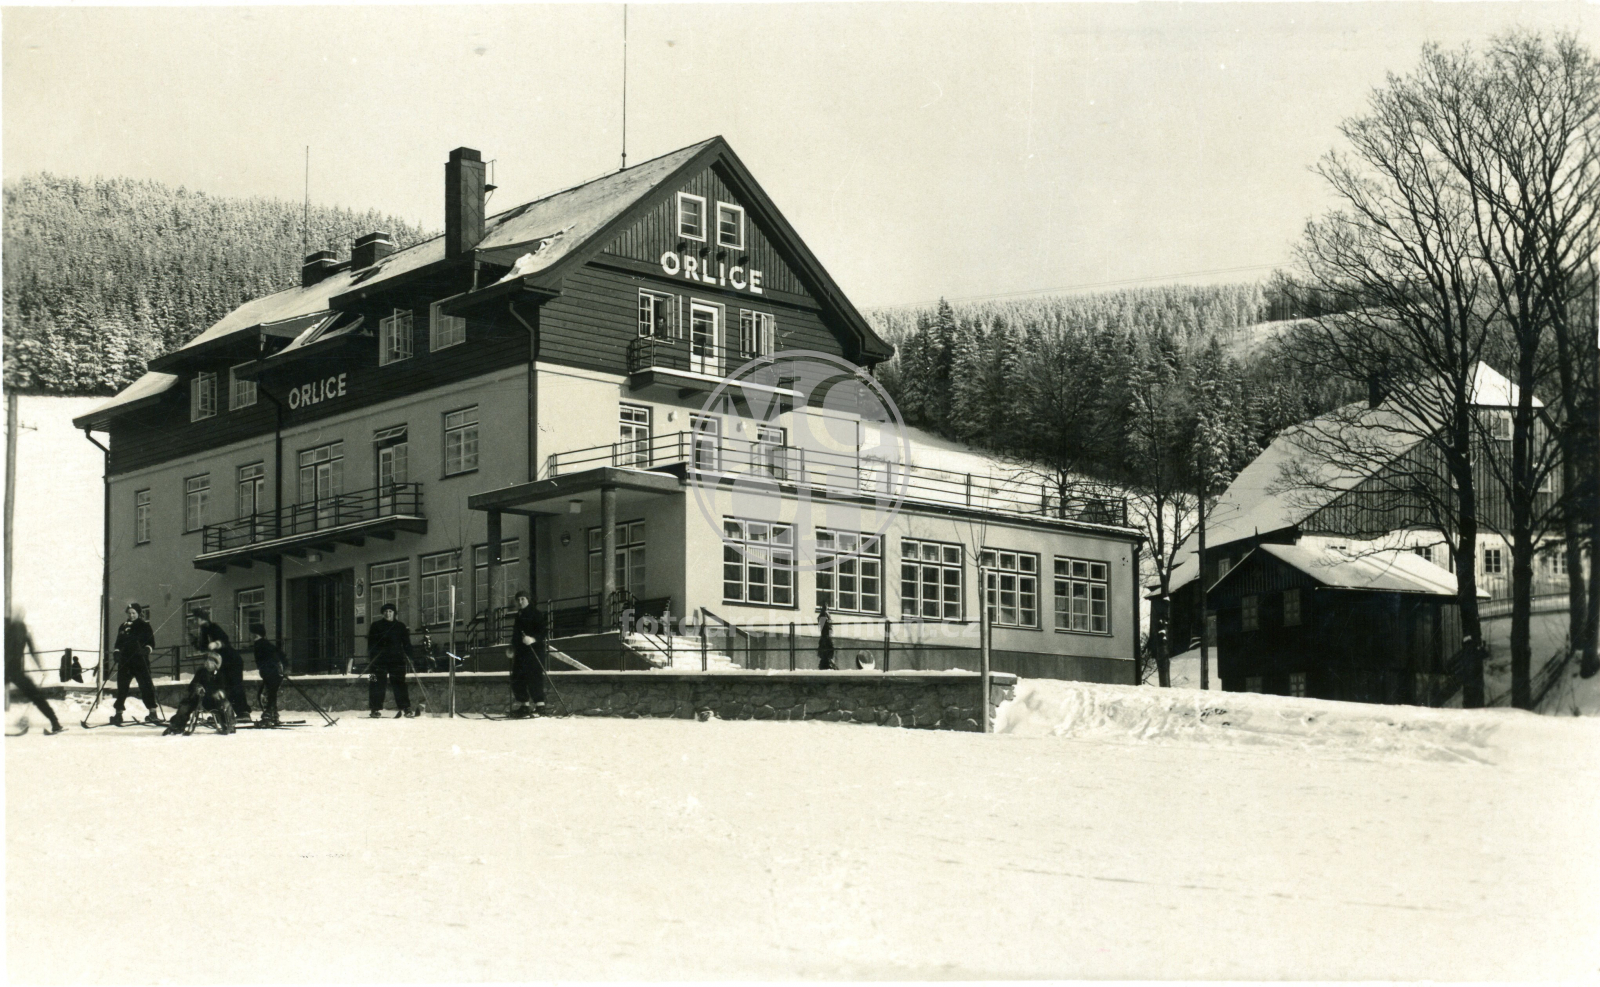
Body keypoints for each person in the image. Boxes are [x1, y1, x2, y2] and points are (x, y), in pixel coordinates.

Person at [5, 604, 65, 735]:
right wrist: (41, 667)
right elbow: (33, 650)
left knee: (36, 696)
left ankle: (55, 723)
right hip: (10, 670)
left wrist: (41, 667)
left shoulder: (21, 629)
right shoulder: (11, 627)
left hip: (13, 671)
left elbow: (32, 649)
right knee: (36, 696)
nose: (19, 617)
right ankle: (55, 722)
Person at [163, 646, 235, 735]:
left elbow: (226, 688)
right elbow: (192, 685)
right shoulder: (201, 672)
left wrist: (221, 692)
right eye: (206, 661)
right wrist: (197, 687)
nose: (207, 663)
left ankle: (228, 725)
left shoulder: (221, 675)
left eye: (210, 661)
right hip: (199, 698)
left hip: (214, 699)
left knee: (225, 704)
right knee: (185, 706)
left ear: (216, 664)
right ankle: (176, 726)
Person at [110, 602, 160, 725]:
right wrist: (116, 653)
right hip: (125, 661)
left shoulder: (144, 626)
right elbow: (118, 643)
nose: (131, 615)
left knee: (146, 685)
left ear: (139, 613)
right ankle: (118, 714)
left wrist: (145, 650)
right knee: (122, 687)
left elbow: (151, 643)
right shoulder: (123, 626)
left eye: (134, 613)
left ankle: (152, 713)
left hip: (140, 661)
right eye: (129, 613)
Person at [367, 602, 414, 718]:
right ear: (382, 613)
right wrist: (373, 656)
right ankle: (374, 709)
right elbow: (371, 644)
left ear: (394, 613)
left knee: (400, 683)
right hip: (379, 660)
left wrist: (410, 656)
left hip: (396, 659)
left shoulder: (400, 626)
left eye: (390, 611)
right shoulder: (375, 625)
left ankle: (406, 708)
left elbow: (406, 643)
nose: (388, 614)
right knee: (375, 683)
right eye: (385, 612)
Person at [508, 590, 547, 718]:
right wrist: (512, 647)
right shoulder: (518, 615)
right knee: (517, 677)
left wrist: (533, 639)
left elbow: (542, 632)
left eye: (522, 599)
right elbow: (516, 634)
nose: (520, 602)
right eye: (518, 600)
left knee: (533, 677)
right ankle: (524, 706)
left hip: (534, 651)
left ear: (528, 600)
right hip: (520, 652)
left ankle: (540, 706)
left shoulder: (536, 614)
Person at [249, 623, 287, 727]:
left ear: (255, 635)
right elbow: (281, 655)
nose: (249, 636)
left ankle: (268, 716)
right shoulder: (265, 643)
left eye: (251, 634)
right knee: (271, 694)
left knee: (267, 695)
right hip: (274, 673)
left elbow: (270, 659)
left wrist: (272, 668)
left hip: (271, 673)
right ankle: (273, 715)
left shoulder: (260, 645)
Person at [816, 605, 837, 670]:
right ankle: (827, 663)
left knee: (827, 649)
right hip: (826, 636)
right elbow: (825, 626)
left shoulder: (824, 615)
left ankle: (827, 663)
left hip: (826, 636)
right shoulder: (824, 615)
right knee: (828, 649)